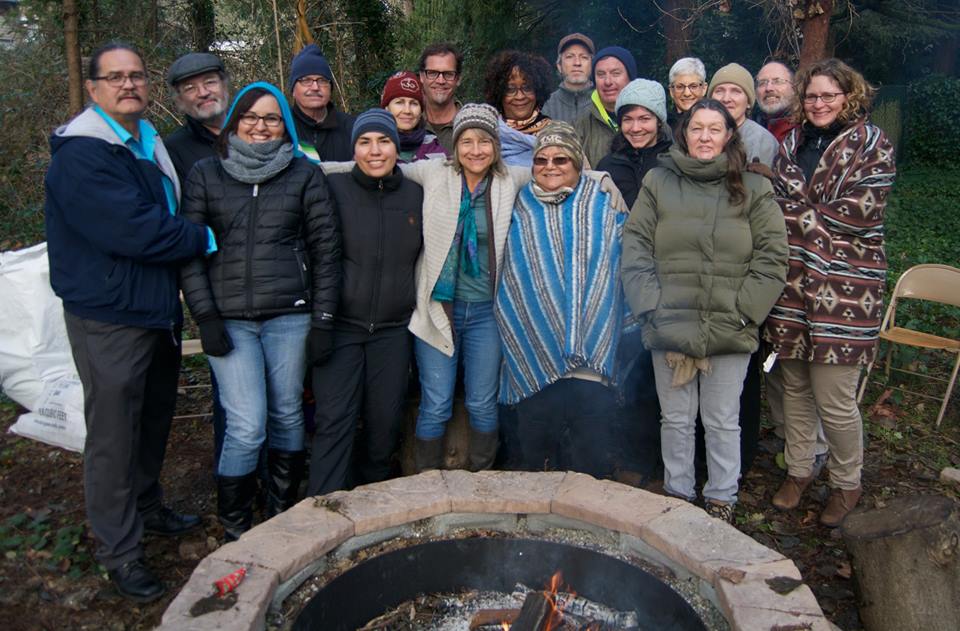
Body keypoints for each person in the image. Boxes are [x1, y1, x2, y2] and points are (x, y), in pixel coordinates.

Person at [45, 41, 213, 602]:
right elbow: (136, 228)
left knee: (153, 417)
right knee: (115, 433)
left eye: (137, 76)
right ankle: (120, 550)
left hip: (154, 307)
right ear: (93, 89)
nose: (128, 85)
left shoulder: (143, 142)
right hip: (109, 313)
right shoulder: (83, 154)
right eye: (115, 77)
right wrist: (204, 237)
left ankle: (148, 507)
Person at [180, 81, 340, 540]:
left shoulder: (303, 175)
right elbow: (189, 252)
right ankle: (234, 528)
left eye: (271, 118)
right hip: (228, 320)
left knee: (288, 412)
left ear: (284, 125)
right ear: (235, 122)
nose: (260, 126)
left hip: (290, 316)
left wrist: (323, 320)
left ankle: (281, 514)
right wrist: (205, 317)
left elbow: (326, 251)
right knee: (247, 423)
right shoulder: (207, 174)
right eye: (250, 116)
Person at [621, 99, 788, 522]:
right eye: (697, 128)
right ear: (684, 132)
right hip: (670, 322)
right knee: (675, 418)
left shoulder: (753, 187)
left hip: (729, 324)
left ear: (729, 135)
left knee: (721, 420)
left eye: (715, 129)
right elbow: (635, 247)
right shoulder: (658, 182)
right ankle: (678, 495)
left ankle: (720, 500)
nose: (706, 137)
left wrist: (745, 312)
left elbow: (772, 258)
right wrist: (649, 307)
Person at [765, 59, 896, 527]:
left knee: (835, 397)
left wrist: (799, 216)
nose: (819, 104)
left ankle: (847, 481)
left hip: (847, 290)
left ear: (849, 97)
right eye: (812, 96)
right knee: (795, 386)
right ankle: (800, 470)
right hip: (793, 282)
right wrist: (802, 216)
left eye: (829, 96)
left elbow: (859, 213)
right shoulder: (791, 143)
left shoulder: (872, 144)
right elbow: (772, 206)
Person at [496, 121, 635, 477]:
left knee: (592, 449)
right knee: (536, 446)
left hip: (591, 351)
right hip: (534, 347)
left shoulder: (603, 199)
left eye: (561, 160)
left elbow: (625, 260)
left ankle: (588, 517)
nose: (550, 167)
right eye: (541, 160)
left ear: (577, 163)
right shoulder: (517, 202)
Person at [401, 103, 532, 473]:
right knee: (437, 402)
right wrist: (313, 169)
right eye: (468, 141)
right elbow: (375, 166)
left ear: (496, 146)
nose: (476, 150)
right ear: (456, 145)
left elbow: (564, 167)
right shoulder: (434, 172)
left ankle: (482, 482)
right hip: (438, 309)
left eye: (485, 141)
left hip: (486, 314)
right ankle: (427, 486)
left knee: (481, 402)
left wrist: (603, 180)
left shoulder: (510, 180)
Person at [308, 110, 423, 494]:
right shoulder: (333, 188)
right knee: (335, 420)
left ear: (397, 147)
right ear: (353, 148)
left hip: (392, 331)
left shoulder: (415, 193)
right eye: (364, 142)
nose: (375, 151)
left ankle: (369, 507)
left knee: (384, 425)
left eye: (384, 141)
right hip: (342, 326)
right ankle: (321, 508)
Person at [596, 78, 672, 209]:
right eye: (628, 119)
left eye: (644, 119)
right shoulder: (607, 166)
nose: (635, 128)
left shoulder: (675, 163)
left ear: (658, 121)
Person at [164, 52, 230, 180]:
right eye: (190, 88)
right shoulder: (173, 151)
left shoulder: (254, 132)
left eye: (210, 82)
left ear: (224, 85)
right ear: (179, 99)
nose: (203, 93)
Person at [288, 44, 355, 162]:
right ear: (293, 90)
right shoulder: (283, 126)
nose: (315, 87)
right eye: (306, 80)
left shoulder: (351, 127)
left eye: (322, 80)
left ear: (330, 88)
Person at [575, 46, 637, 168]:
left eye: (616, 74)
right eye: (601, 74)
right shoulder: (580, 124)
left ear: (630, 78)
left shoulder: (652, 119)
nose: (608, 81)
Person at [708, 63, 779, 166]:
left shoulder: (760, 140)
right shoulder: (701, 134)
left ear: (749, 102)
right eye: (719, 91)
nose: (726, 99)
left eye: (735, 92)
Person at [380, 71, 447, 162]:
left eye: (414, 104)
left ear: (421, 110)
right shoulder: (371, 149)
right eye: (399, 103)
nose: (407, 111)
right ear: (387, 108)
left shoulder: (436, 151)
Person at [483, 50, 553, 135]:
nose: (520, 96)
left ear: (538, 91)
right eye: (510, 89)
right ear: (498, 93)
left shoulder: (555, 133)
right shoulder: (486, 133)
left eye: (527, 88)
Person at [418, 42, 464, 153]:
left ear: (458, 79)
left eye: (448, 74)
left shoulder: (472, 124)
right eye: (432, 73)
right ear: (421, 76)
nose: (440, 81)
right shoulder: (408, 122)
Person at [542, 33, 595, 123]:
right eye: (569, 57)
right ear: (559, 66)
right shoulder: (545, 106)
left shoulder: (606, 102)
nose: (577, 63)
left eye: (584, 57)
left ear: (592, 65)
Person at [754, 60, 797, 142]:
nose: (768, 88)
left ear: (794, 88)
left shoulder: (805, 132)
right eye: (762, 83)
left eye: (777, 81)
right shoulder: (750, 131)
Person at [666, 57, 707, 130]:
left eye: (693, 86)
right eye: (680, 87)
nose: (687, 93)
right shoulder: (664, 127)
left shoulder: (715, 121)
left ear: (704, 88)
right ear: (671, 91)